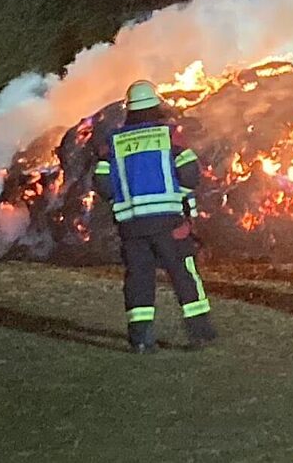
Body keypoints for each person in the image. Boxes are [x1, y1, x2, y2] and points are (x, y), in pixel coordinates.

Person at [93, 80, 217, 353]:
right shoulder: (167, 136)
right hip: (167, 221)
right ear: (155, 107)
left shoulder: (113, 143)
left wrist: (123, 200)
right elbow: (190, 172)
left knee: (138, 278)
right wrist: (179, 198)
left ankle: (140, 338)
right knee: (183, 272)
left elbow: (102, 182)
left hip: (132, 225)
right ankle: (200, 333)